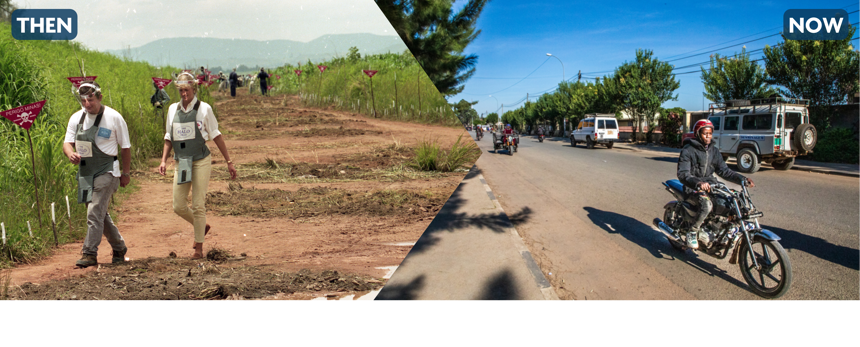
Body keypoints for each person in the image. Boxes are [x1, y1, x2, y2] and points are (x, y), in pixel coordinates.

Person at [158, 72, 238, 259]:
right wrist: (163, 160)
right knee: (178, 205)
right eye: (181, 90)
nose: (184, 93)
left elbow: (216, 135)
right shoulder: (172, 110)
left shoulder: (205, 109)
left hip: (201, 160)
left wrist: (229, 161)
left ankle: (198, 248)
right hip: (182, 161)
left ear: (194, 89)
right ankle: (201, 226)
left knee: (198, 204)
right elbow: (168, 137)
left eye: (187, 90)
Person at [63, 82, 131, 267]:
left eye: (90, 100)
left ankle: (89, 253)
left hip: (108, 170)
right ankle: (119, 247)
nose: (86, 104)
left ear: (99, 97)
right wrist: (71, 154)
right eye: (83, 100)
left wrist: (125, 173)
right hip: (85, 172)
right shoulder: (76, 118)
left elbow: (125, 148)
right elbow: (67, 143)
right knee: (98, 212)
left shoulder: (114, 117)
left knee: (94, 212)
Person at [677, 119, 755, 249]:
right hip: (693, 187)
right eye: (705, 133)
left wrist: (742, 179)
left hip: (711, 185)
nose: (708, 136)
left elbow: (724, 171)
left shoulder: (714, 151)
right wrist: (698, 182)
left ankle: (725, 230)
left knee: (732, 200)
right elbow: (683, 174)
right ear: (697, 134)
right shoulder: (688, 150)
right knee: (706, 205)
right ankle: (692, 231)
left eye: (710, 133)